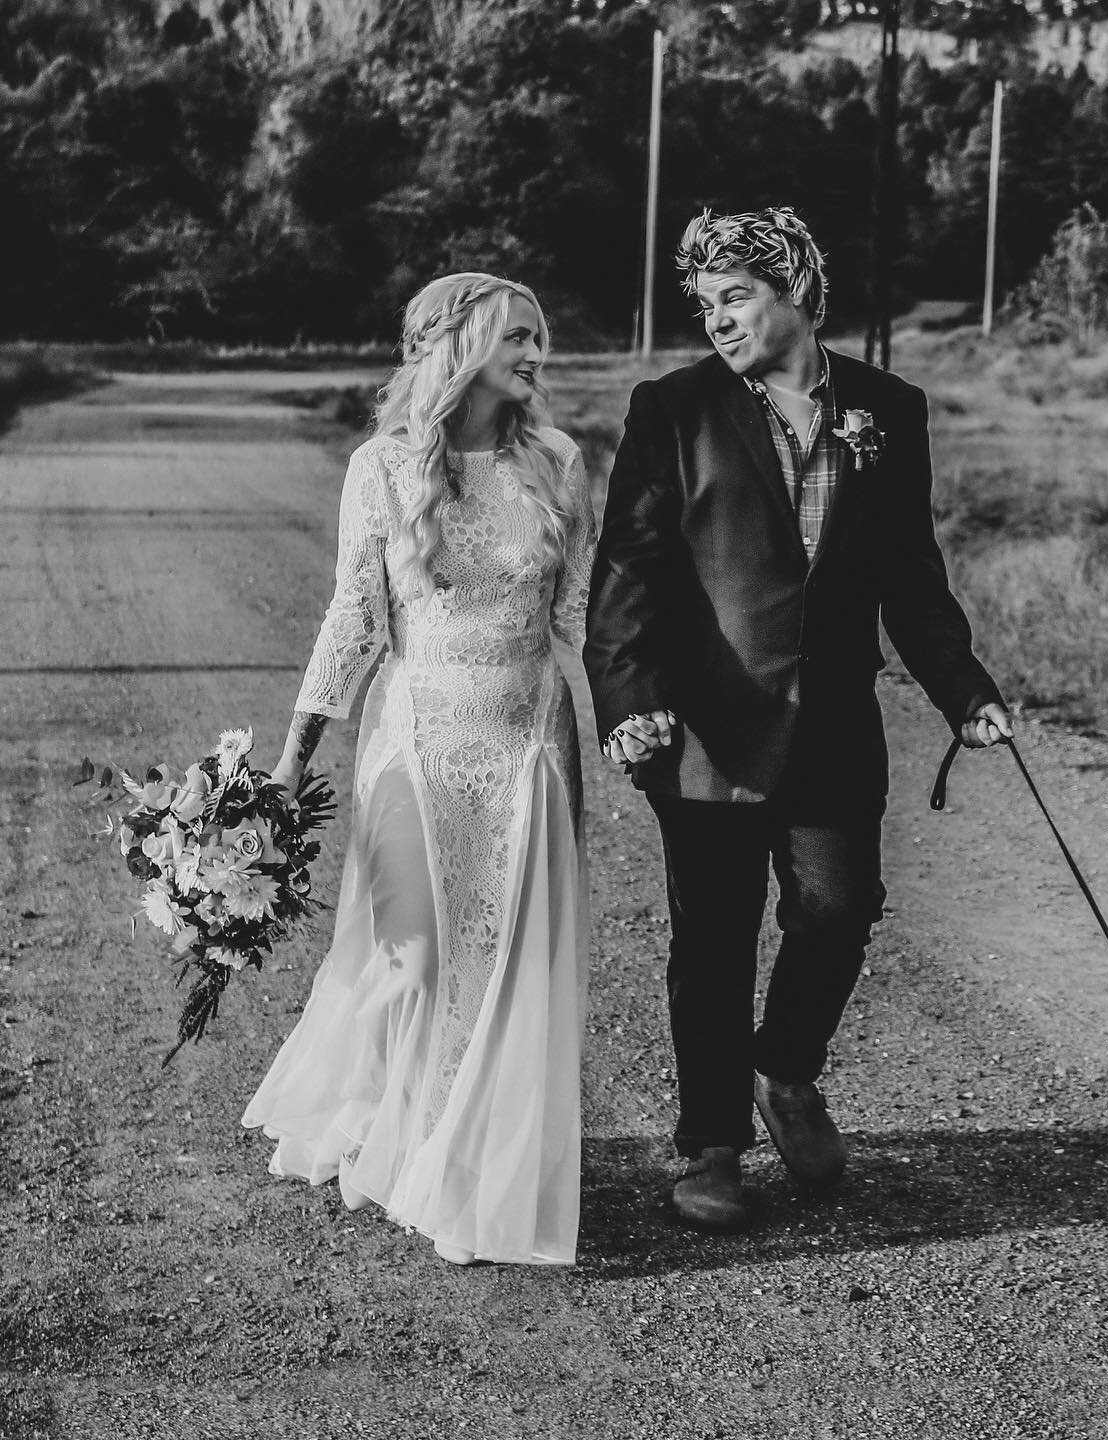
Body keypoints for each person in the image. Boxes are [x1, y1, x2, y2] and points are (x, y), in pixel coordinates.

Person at [583, 207, 1012, 1232]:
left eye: (738, 298)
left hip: (832, 724)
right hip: (706, 729)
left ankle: (787, 1071)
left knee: (840, 907)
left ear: (797, 295)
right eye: (707, 304)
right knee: (715, 939)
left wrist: (967, 691)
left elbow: (911, 577)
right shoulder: (672, 409)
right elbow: (627, 575)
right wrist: (630, 703)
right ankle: (714, 1145)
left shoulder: (887, 410)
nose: (719, 320)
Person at [243, 273, 595, 1266]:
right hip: (416, 742)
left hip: (528, 738)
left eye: (541, 333)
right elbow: (353, 616)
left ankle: (476, 1160)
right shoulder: (383, 466)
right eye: (519, 334)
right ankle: (404, 1128)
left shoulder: (561, 462)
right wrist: (292, 754)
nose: (539, 350)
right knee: (414, 963)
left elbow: (579, 616)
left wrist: (634, 712)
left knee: (506, 966)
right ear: (460, 343)